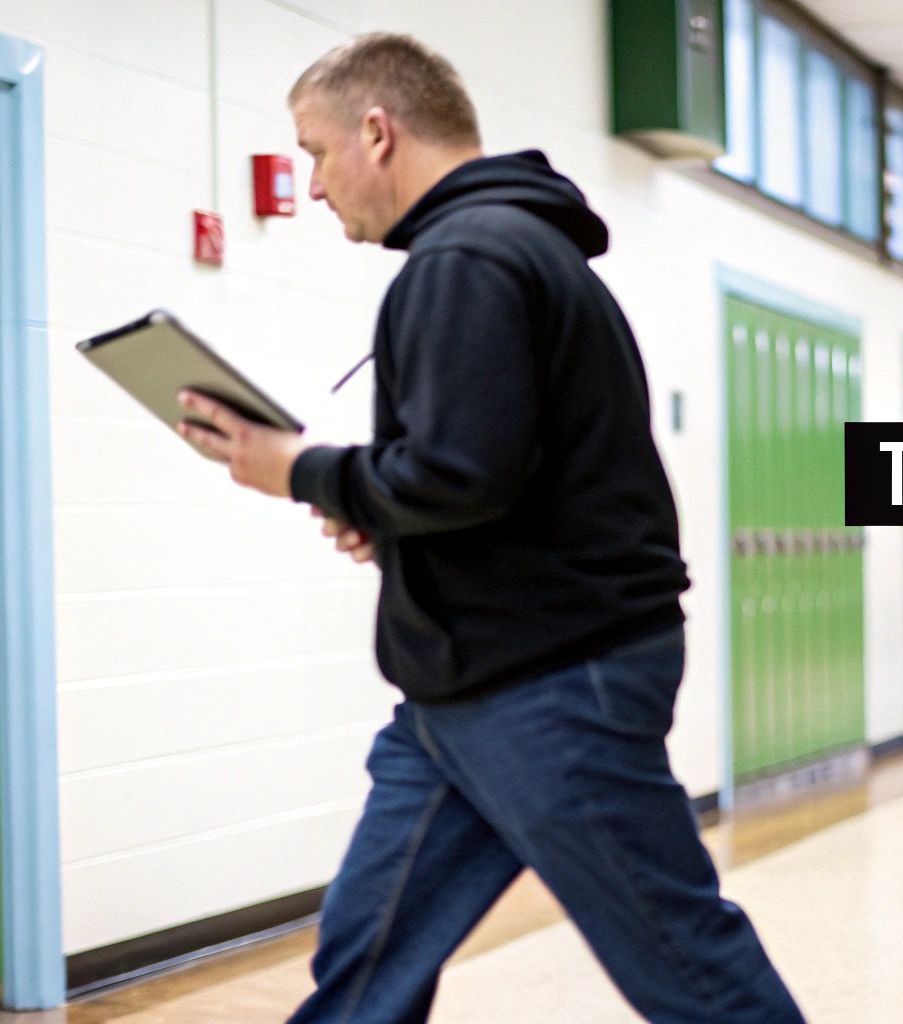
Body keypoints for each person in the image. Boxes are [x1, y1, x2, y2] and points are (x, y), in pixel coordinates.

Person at [174, 33, 803, 1024]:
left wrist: (295, 468)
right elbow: (502, 474)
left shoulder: (467, 258)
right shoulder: (500, 251)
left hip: (549, 681)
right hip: (460, 685)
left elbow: (460, 472)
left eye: (315, 151)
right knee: (365, 955)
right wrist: (390, 524)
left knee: (683, 963)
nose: (311, 184)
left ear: (377, 132)